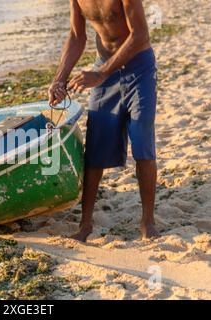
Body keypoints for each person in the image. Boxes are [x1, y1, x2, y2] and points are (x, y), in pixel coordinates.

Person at [48, 0, 159, 241]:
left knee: (142, 142)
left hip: (139, 68)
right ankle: (85, 225)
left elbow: (140, 34)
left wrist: (101, 72)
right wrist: (59, 79)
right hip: (104, 69)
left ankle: (147, 222)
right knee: (95, 147)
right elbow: (77, 36)